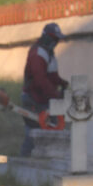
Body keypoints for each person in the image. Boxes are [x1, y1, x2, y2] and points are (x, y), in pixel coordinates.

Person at [20, 22, 70, 156]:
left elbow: (52, 76)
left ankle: (43, 158)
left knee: (48, 131)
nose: (56, 42)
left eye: (57, 39)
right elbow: (40, 80)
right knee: (33, 132)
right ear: (46, 37)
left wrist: (63, 84)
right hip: (33, 98)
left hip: (44, 98)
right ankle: (25, 160)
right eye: (54, 39)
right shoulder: (38, 53)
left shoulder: (49, 53)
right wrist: (56, 95)